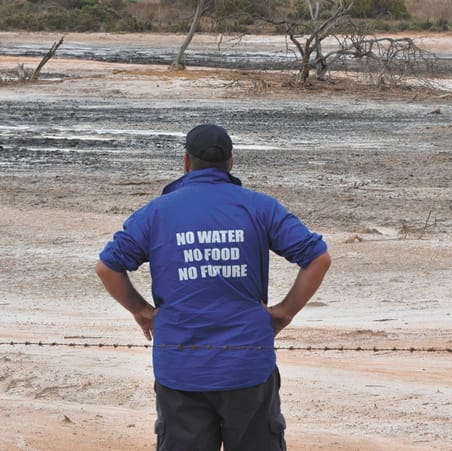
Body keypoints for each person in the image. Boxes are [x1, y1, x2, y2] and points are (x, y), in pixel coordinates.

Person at [96, 123, 330, 451]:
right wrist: (284, 312)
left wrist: (141, 311)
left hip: (180, 366)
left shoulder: (156, 213)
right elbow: (318, 258)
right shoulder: (259, 207)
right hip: (247, 364)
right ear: (230, 163)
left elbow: (107, 267)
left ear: (186, 162)